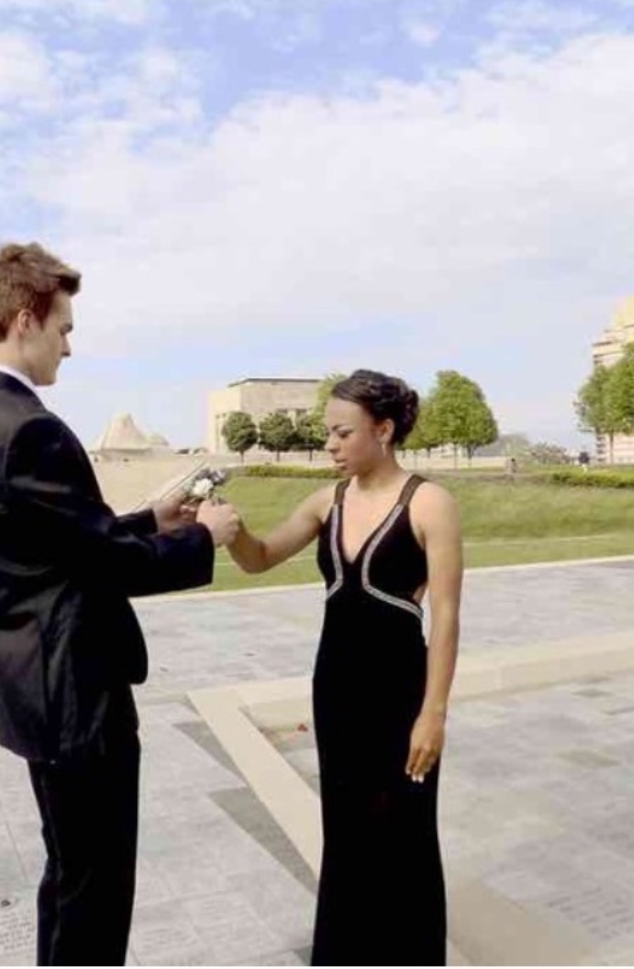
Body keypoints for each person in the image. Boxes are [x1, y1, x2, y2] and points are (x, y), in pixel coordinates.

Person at [0, 242, 239, 967]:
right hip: (78, 696)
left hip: (34, 691)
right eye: (64, 328)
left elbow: (57, 550)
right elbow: (103, 565)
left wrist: (148, 520)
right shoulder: (31, 428)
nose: (69, 347)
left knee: (72, 879)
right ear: (23, 320)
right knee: (97, 892)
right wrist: (204, 538)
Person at [226, 369, 463, 966]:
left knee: (404, 835)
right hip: (335, 692)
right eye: (328, 433)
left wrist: (433, 715)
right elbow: (258, 559)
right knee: (347, 834)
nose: (330, 444)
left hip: (402, 696)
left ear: (383, 430)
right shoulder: (324, 501)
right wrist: (229, 530)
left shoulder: (429, 503)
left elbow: (448, 618)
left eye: (341, 432)